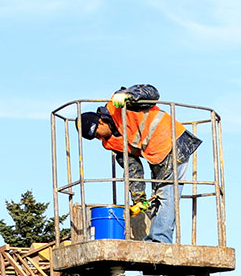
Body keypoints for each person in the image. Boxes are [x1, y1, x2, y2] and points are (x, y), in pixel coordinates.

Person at [78, 84, 201, 244]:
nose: (98, 139)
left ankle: (160, 241)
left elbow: (152, 93)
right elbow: (132, 168)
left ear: (100, 122)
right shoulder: (111, 142)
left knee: (167, 195)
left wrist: (128, 95)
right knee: (159, 197)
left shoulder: (118, 105)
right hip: (156, 156)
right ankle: (155, 239)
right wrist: (138, 199)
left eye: (96, 134)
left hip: (174, 141)